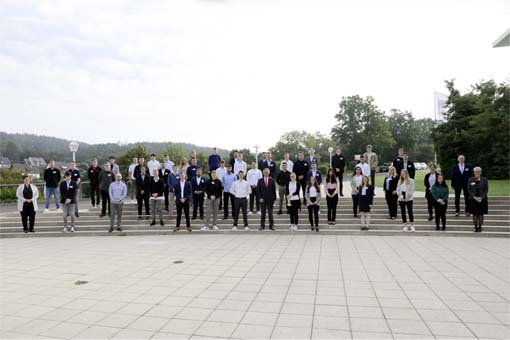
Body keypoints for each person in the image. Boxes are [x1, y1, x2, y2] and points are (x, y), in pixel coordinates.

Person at [468, 167, 488, 233]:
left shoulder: (484, 179)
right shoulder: (470, 180)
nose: (477, 173)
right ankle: (475, 228)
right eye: (476, 171)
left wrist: (481, 197)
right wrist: (474, 197)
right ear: (474, 172)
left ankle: (480, 227)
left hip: (482, 200)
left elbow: (486, 190)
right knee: (475, 215)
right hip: (473, 200)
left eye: (478, 171)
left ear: (481, 172)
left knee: (481, 214)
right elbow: (469, 189)